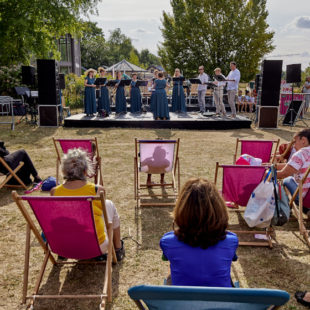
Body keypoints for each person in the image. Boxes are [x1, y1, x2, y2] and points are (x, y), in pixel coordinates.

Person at [160, 178, 238, 286]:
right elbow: (231, 259)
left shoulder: (167, 241)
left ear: (181, 209)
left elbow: (167, 258)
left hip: (179, 301)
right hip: (222, 301)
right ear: (219, 209)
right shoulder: (231, 241)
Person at [50, 148, 125, 261]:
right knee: (108, 205)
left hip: (64, 246)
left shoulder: (54, 192)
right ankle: (118, 248)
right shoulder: (97, 190)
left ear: (64, 171)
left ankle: (64, 253)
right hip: (96, 246)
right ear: (85, 171)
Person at [276, 129, 310, 216]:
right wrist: (273, 166)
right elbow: (290, 166)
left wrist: (265, 174)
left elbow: (284, 173)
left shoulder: (301, 154)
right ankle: (307, 211)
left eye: (295, 141)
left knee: (287, 179)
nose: (293, 145)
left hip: (305, 198)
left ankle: (286, 208)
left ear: (303, 140)